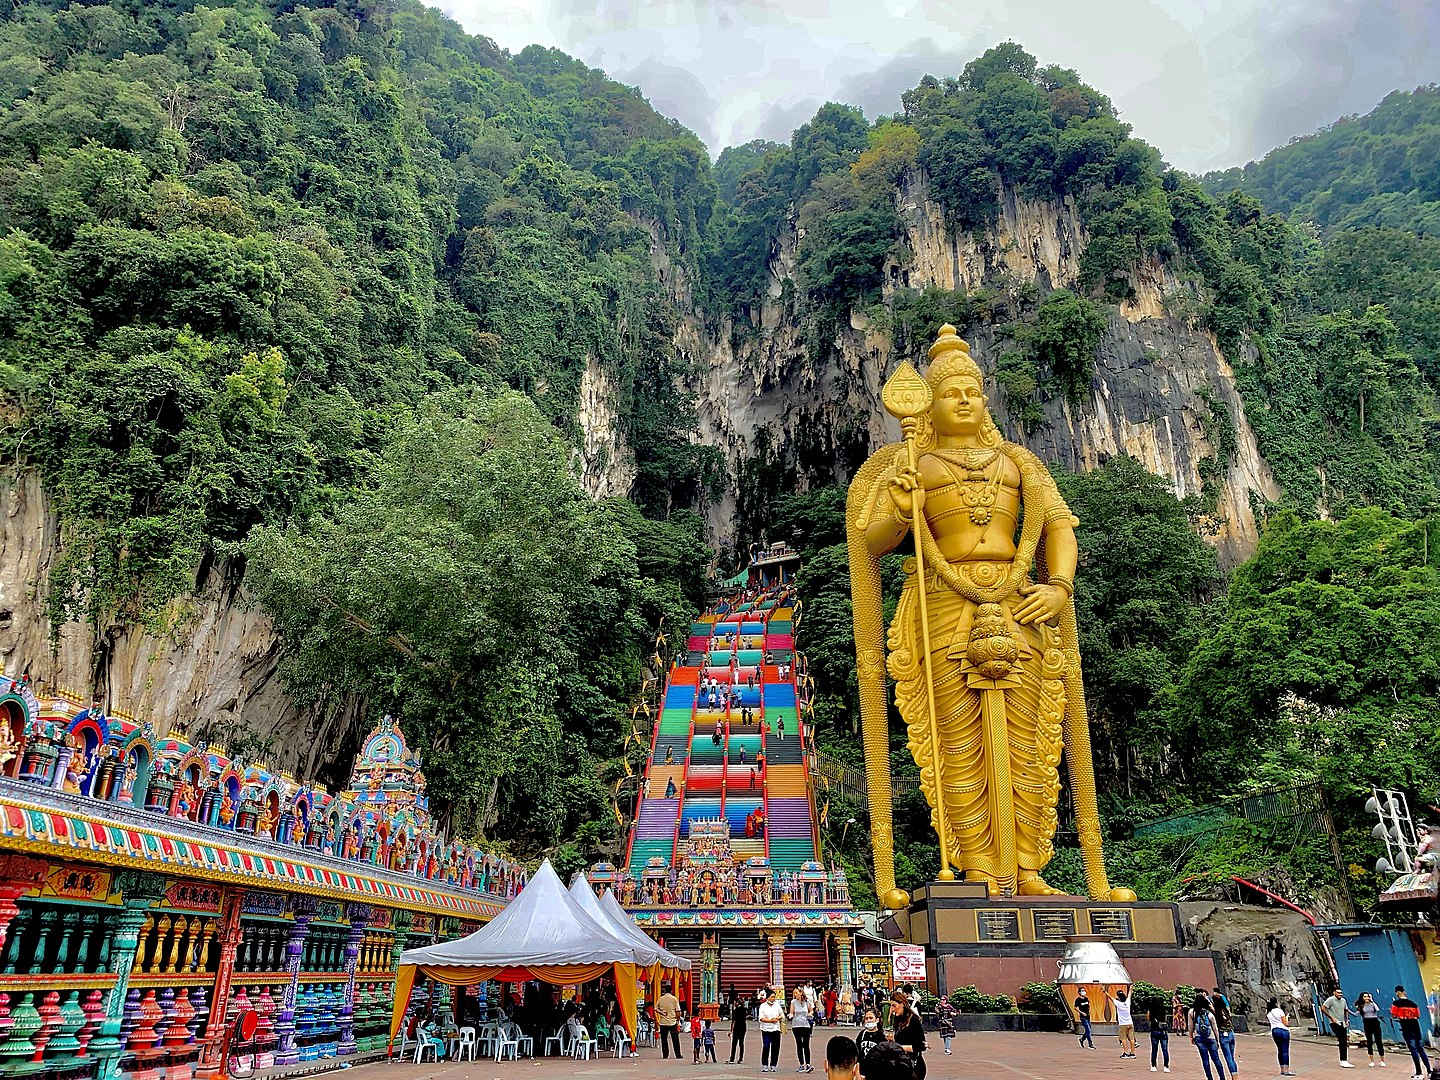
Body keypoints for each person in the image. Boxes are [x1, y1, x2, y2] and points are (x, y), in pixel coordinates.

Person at [1391, 985, 1430, 1077]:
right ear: (1404, 992)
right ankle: (1429, 1070)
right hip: (1416, 1027)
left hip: (1407, 1028)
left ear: (1397, 992)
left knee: (1413, 1050)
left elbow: (1393, 1015)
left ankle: (1419, 1072)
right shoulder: (1413, 1004)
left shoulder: (1396, 1004)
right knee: (1420, 1049)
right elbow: (1418, 1016)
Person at [890, 990, 927, 1080]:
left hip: (913, 1064)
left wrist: (899, 1047)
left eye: (894, 1005)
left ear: (902, 1004)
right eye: (891, 1006)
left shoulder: (913, 1020)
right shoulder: (898, 1020)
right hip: (900, 1064)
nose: (892, 1009)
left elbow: (920, 1046)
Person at [1189, 991, 1226, 1080]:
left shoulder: (1192, 1012)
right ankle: (1222, 1077)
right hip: (1211, 1037)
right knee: (1216, 1059)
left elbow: (1190, 1025)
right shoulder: (1209, 1014)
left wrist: (1191, 1036)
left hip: (1199, 1038)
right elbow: (1215, 1028)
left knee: (1205, 1059)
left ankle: (1209, 1078)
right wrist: (1217, 1040)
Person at [1321, 987, 1355, 1068]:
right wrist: (1331, 1018)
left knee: (1343, 1041)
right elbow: (1323, 1008)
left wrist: (1347, 1020)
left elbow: (1346, 1010)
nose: (1340, 994)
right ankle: (1343, 1060)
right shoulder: (1331, 1000)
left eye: (1341, 993)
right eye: (1338, 993)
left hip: (1342, 1022)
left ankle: (1344, 1060)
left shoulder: (1343, 1000)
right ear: (1334, 993)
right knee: (1342, 1040)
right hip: (1334, 1022)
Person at [1211, 987, 1239, 1079]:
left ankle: (1234, 1077)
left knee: (1228, 1058)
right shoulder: (1226, 1010)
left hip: (1223, 1035)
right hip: (1231, 1033)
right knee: (1232, 1057)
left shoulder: (1216, 1013)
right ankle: (1235, 1076)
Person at [1355, 991, 1385, 1068]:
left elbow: (1377, 1009)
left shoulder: (1372, 1004)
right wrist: (1347, 1011)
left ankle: (1382, 1060)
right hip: (1367, 1022)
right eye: (1365, 996)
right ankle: (1372, 1061)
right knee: (1369, 1041)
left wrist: (1372, 1000)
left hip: (1375, 1022)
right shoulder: (1361, 1006)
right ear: (1362, 998)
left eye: (1367, 996)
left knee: (1379, 1041)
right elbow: (1356, 1014)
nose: (1366, 998)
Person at [759, 989, 785, 1074]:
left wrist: (777, 1018)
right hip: (766, 1029)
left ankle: (773, 1064)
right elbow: (761, 1018)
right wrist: (770, 1021)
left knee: (775, 1047)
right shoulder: (763, 1006)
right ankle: (765, 1064)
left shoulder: (777, 1005)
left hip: (776, 1029)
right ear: (768, 997)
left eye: (774, 997)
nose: (773, 999)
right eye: (772, 997)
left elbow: (782, 1015)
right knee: (766, 1046)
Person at [1266, 998, 1294, 1077]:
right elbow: (1285, 1023)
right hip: (1283, 1031)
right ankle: (1286, 1070)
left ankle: (1282, 1069)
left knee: (1280, 1050)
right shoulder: (1279, 1011)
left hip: (1274, 1031)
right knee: (1285, 1051)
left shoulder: (1268, 1012)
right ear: (1276, 1003)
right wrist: (1287, 1017)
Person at [792, 985, 815, 1072]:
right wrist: (791, 1015)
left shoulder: (806, 1002)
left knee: (806, 1044)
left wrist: (810, 1014)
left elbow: (811, 1010)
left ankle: (808, 1064)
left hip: (805, 1025)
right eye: (794, 993)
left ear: (801, 993)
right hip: (796, 1025)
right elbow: (792, 1012)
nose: (795, 994)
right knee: (799, 1044)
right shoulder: (793, 1002)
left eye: (796, 993)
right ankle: (801, 1064)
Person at [656, 982, 682, 1060]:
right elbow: (678, 1011)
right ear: (671, 991)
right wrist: (677, 1019)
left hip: (663, 1022)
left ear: (664, 991)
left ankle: (665, 1054)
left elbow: (655, 1008)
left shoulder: (661, 999)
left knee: (664, 1039)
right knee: (675, 1039)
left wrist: (661, 1012)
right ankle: (677, 1054)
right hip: (672, 1022)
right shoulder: (674, 999)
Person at [1146, 995, 1170, 1073]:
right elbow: (1165, 1019)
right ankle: (1166, 1066)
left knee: (1154, 1049)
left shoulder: (1151, 1010)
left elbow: (1148, 1018)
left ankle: (1153, 1066)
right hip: (1163, 1031)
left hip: (1154, 1030)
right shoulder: (1163, 1009)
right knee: (1165, 1049)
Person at [1111, 989, 1136, 1059]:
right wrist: (1131, 988)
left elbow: (1110, 997)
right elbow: (1130, 994)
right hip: (1130, 1023)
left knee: (1123, 1038)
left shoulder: (1118, 1003)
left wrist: (1105, 992)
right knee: (1132, 1038)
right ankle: (1133, 1053)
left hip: (1123, 1024)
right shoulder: (1128, 1002)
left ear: (1118, 997)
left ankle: (1125, 1052)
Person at [730, 997, 749, 1064]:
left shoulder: (735, 1011)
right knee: (741, 1043)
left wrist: (731, 1031)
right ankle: (740, 1058)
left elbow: (733, 1021)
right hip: (743, 1027)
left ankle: (732, 1058)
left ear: (737, 1003)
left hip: (737, 1027)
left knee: (734, 1043)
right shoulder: (744, 1010)